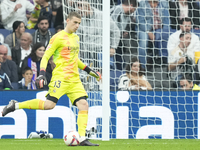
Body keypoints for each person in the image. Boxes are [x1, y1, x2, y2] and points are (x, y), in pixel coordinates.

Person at [1, 11, 100, 146]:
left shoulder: (76, 38)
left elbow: (74, 59)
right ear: (68, 20)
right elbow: (46, 56)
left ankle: (82, 138)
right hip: (61, 77)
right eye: (75, 22)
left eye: (79, 23)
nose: (77, 25)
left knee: (83, 104)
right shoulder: (58, 37)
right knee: (49, 105)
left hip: (74, 79)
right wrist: (41, 73)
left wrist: (89, 70)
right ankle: (15, 105)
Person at [136, 0, 170, 68]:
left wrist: (164, 32)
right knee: (143, 43)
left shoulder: (164, 3)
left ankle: (163, 61)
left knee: (166, 36)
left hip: (159, 28)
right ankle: (142, 67)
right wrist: (149, 32)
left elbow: (167, 21)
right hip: (144, 29)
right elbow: (140, 21)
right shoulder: (142, 4)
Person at [110, 0, 138, 70]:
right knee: (119, 49)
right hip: (109, 38)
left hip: (117, 38)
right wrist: (120, 32)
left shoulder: (127, 15)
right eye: (134, 9)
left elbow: (119, 28)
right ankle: (118, 68)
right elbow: (111, 27)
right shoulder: (117, 11)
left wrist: (123, 32)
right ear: (131, 6)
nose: (134, 11)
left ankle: (120, 68)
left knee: (121, 48)